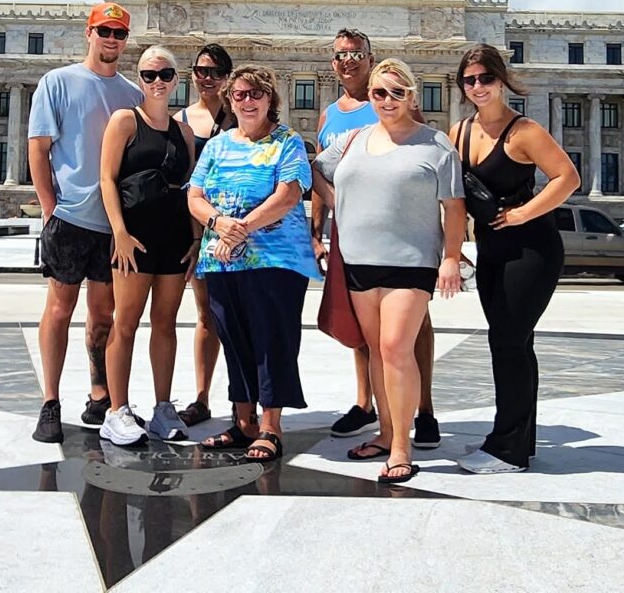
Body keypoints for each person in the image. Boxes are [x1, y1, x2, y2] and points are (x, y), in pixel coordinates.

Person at [312, 58, 465, 484]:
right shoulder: (354, 139)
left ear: (412, 96)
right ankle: (384, 433)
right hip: (359, 259)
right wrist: (338, 203)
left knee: (397, 347)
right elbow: (314, 169)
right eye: (380, 93)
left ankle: (402, 446)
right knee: (377, 349)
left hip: (412, 261)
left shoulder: (436, 145)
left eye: (398, 92)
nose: (388, 100)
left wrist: (451, 257)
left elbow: (454, 207)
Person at [447, 44, 579, 474]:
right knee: (514, 343)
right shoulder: (459, 133)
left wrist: (524, 211)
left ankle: (507, 449)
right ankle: (522, 440)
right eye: (470, 80)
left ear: (502, 80)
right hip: (491, 251)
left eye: (486, 78)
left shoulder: (524, 131)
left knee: (507, 342)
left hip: (532, 250)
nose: (479, 86)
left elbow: (568, 177)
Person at [187, 65, 318, 462]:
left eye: (256, 94)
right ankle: (242, 421)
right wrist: (219, 223)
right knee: (233, 338)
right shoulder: (217, 145)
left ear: (270, 100)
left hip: (277, 259)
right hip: (222, 260)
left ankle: (270, 426)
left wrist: (239, 228)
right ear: (230, 99)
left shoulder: (288, 141)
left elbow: (290, 194)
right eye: (240, 95)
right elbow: (194, 195)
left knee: (271, 339)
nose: (248, 101)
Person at [27, 1, 143, 443]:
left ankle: (99, 395)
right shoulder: (57, 82)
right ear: (88, 33)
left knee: (102, 315)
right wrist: (49, 206)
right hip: (71, 218)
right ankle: (50, 401)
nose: (111, 40)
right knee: (59, 309)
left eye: (119, 33)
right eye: (104, 31)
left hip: (113, 225)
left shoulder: (133, 95)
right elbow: (38, 148)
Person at [98, 46, 198, 446]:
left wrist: (194, 237)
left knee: (166, 323)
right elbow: (107, 179)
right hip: (134, 236)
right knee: (125, 321)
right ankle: (116, 410)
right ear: (138, 79)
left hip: (173, 235)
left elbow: (191, 188)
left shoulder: (184, 132)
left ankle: (162, 408)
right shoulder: (125, 121)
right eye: (149, 74)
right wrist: (119, 232)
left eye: (166, 74)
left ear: (177, 80)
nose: (158, 81)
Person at [172, 43, 236, 428]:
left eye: (215, 72)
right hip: (196, 225)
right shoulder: (180, 120)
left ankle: (244, 398)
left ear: (227, 77)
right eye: (200, 71)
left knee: (241, 316)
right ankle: (201, 396)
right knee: (206, 315)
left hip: (239, 226)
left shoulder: (242, 113)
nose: (206, 78)